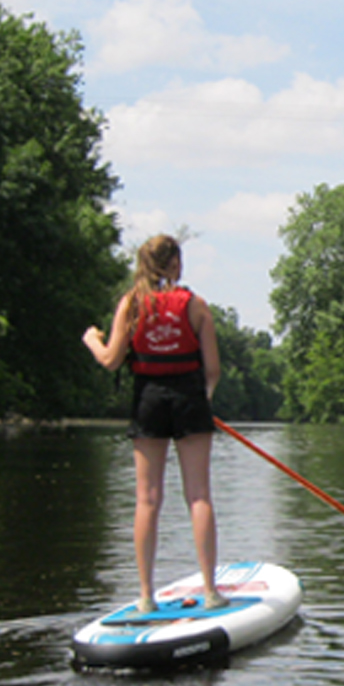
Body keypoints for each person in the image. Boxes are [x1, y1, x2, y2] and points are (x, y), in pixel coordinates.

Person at [83, 235, 226, 613]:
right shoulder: (196, 306)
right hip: (189, 400)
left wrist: (91, 340)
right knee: (199, 495)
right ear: (176, 264)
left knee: (147, 499)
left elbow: (111, 360)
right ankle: (211, 590)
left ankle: (146, 597)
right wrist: (204, 399)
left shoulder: (130, 304)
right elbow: (212, 370)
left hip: (148, 401)